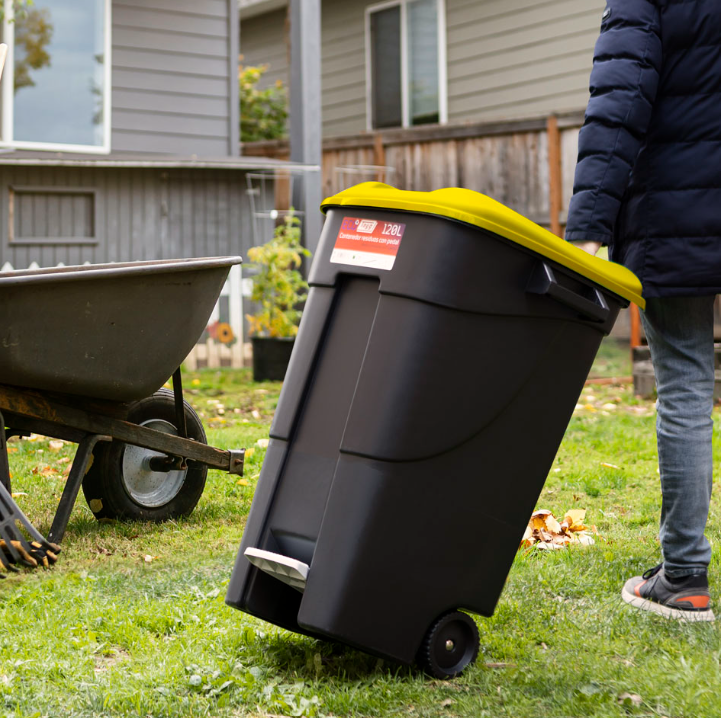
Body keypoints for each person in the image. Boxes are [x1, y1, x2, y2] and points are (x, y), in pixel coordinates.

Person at [565, 0, 720, 621]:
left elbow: (621, 98)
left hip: (677, 214)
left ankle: (683, 577)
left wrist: (588, 228)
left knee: (684, 379)